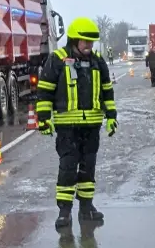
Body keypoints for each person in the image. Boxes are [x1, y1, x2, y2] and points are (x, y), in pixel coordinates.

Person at [35, 17, 118, 229]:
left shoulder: (98, 62)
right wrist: (44, 119)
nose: (89, 46)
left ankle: (86, 207)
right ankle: (64, 211)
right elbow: (44, 91)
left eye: (91, 42)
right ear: (74, 40)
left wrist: (111, 117)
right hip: (67, 128)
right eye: (85, 42)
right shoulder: (57, 60)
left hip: (91, 126)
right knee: (68, 168)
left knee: (88, 168)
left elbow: (107, 92)